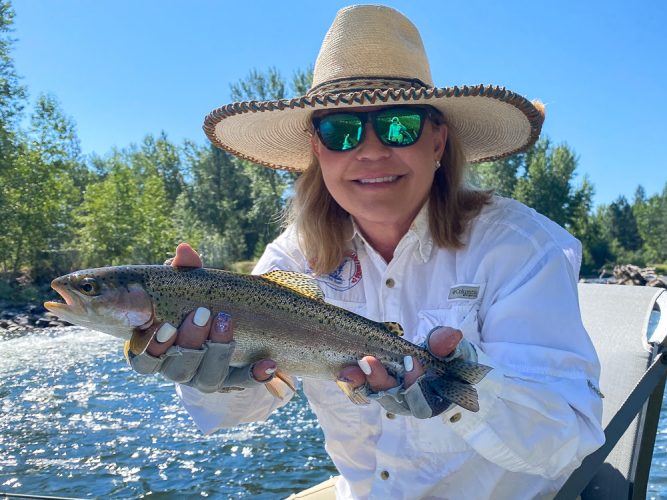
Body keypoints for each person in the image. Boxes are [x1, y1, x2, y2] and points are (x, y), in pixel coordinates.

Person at [127, 5, 604, 499]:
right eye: (342, 130)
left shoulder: (519, 248)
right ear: (318, 149)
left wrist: (460, 388)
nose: (372, 150)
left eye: (399, 126)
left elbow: (567, 441)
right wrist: (207, 369)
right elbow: (241, 410)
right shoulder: (292, 259)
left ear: (437, 140)